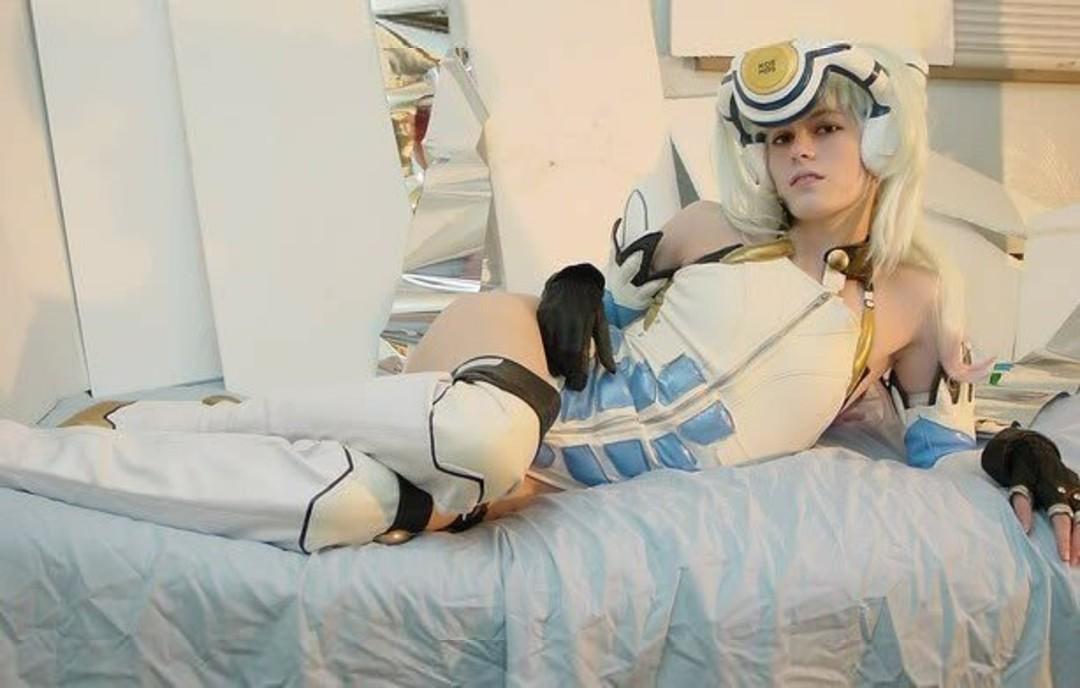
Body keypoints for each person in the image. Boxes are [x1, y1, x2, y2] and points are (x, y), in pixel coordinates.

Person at [1, 39, 1077, 561]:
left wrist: (1018, 457)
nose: (798, 153)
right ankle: (212, 417)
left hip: (541, 466)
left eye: (825, 130)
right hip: (517, 373)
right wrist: (582, 282)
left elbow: (941, 440)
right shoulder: (715, 226)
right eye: (780, 136)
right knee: (482, 435)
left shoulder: (911, 298)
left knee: (358, 507)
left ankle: (57, 455)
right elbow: (589, 303)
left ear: (877, 140)